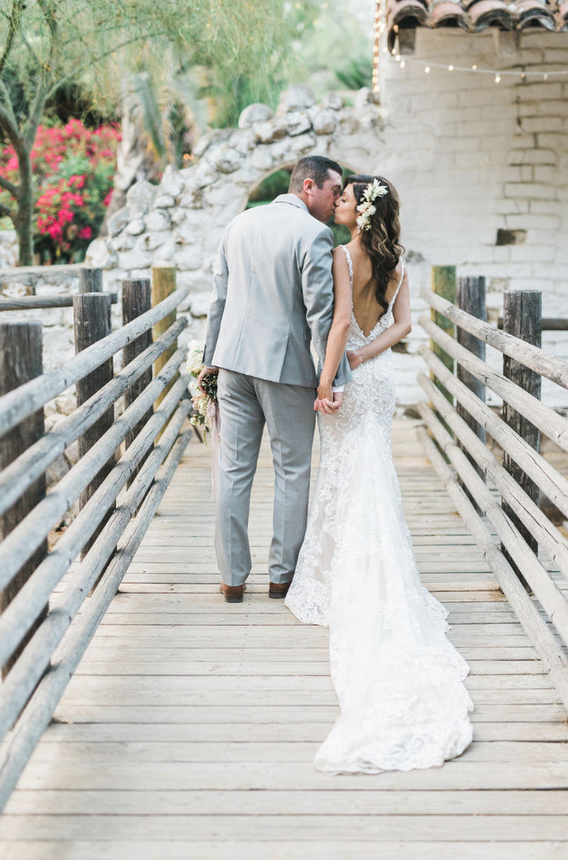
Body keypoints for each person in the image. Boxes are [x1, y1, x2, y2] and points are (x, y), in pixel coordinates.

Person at [285, 175, 474, 774]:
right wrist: (371, 355)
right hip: (379, 379)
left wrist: (328, 378)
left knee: (347, 471)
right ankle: (367, 562)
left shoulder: (343, 256)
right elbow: (404, 325)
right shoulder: (395, 261)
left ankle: (344, 569)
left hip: (348, 379)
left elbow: (340, 323)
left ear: (359, 213)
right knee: (371, 472)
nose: (337, 203)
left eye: (345, 199)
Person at [198, 155, 351, 603]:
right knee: (292, 470)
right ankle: (282, 577)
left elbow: (219, 299)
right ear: (308, 186)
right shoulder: (313, 234)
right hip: (285, 370)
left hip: (232, 365)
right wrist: (332, 378)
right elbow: (320, 314)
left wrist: (210, 360)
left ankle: (231, 578)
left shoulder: (239, 224)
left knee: (232, 470)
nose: (337, 199)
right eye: (333, 190)